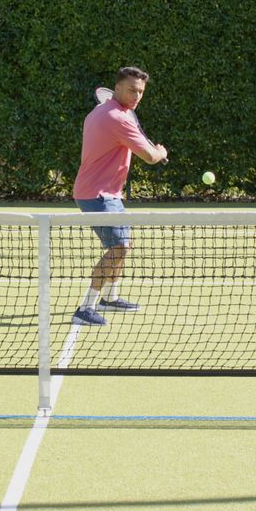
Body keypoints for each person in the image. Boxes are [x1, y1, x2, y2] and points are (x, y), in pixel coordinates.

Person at [71, 66, 169, 326]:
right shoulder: (118, 118)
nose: (137, 95)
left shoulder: (103, 112)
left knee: (124, 245)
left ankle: (111, 298)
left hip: (106, 192)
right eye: (131, 90)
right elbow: (149, 156)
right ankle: (86, 307)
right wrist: (160, 151)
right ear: (117, 88)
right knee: (119, 247)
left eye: (140, 92)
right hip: (97, 195)